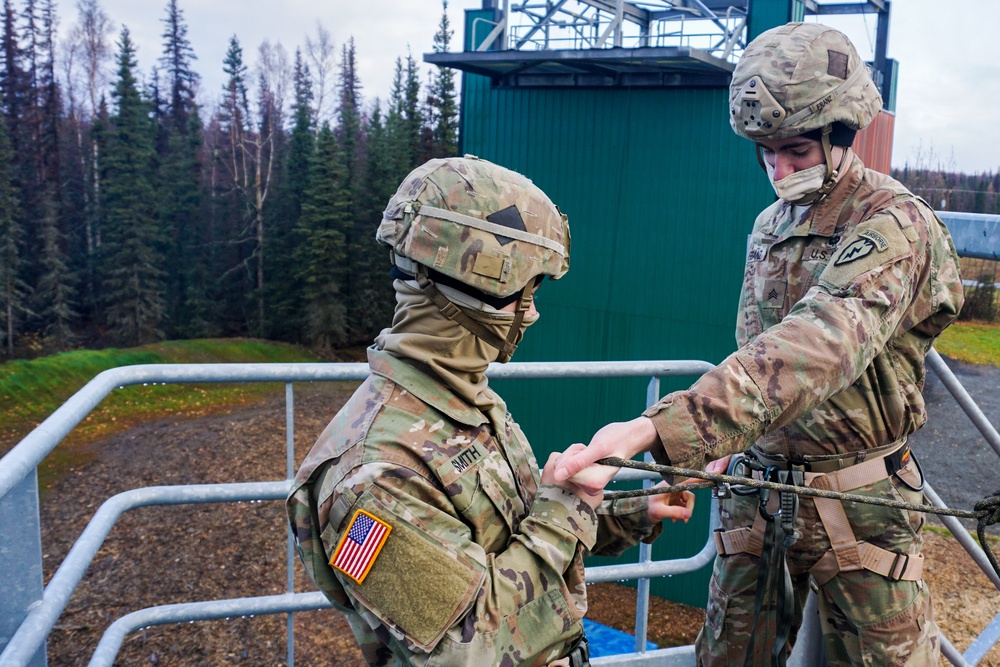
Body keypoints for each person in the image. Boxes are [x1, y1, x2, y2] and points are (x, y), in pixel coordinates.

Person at [553, 22, 965, 667]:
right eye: (766, 152)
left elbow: (820, 342)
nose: (779, 169)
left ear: (841, 133)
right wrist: (724, 444)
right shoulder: (770, 224)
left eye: (797, 150)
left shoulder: (893, 223)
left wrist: (654, 431)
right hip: (757, 493)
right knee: (730, 658)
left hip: (858, 503)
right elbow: (757, 344)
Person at [286, 155, 694, 667]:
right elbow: (472, 645)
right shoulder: (370, 479)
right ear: (478, 285)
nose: (532, 312)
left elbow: (513, 535)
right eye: (527, 291)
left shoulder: (462, 403)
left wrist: (623, 511)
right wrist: (565, 508)